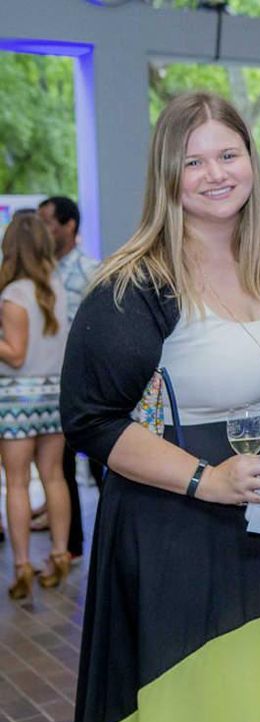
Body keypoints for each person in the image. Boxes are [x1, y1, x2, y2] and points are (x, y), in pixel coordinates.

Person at [61, 91, 260, 722]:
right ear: (166, 174)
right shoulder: (135, 282)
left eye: (228, 154)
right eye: (193, 161)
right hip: (178, 529)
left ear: (252, 161)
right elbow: (92, 419)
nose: (216, 174)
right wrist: (209, 479)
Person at [0, 213, 71, 599]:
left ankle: (23, 565)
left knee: (16, 483)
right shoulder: (55, 288)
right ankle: (60, 555)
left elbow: (14, 354)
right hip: (54, 393)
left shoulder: (13, 294)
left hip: (18, 398)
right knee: (55, 477)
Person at [37, 195, 102, 559]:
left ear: (69, 226)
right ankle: (72, 545)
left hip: (89, 385)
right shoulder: (41, 274)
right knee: (60, 467)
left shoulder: (92, 272)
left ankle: (114, 541)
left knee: (99, 467)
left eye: (48, 221)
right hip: (52, 386)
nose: (43, 230)